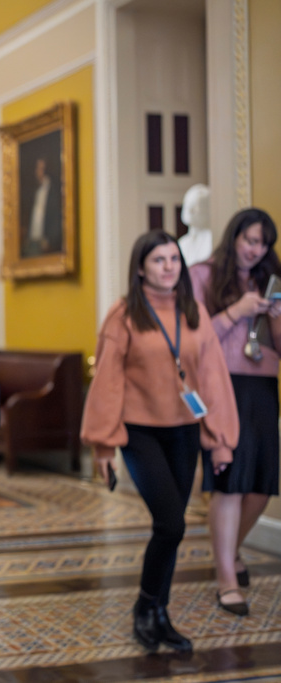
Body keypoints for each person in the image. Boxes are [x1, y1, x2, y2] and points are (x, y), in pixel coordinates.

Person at [82, 230, 238, 652]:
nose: (169, 266)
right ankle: (146, 605)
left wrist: (220, 440)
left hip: (185, 431)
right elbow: (108, 383)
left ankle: (159, 614)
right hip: (140, 433)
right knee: (171, 522)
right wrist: (102, 444)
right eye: (158, 260)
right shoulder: (124, 314)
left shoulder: (194, 312)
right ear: (140, 268)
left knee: (169, 527)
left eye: (174, 259)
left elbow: (212, 379)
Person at [189, 208, 281, 616]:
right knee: (229, 481)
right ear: (234, 237)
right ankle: (226, 577)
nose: (256, 250)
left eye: (263, 244)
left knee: (260, 484)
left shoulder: (271, 280)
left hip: (262, 386)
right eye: (250, 240)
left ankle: (230, 551)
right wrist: (236, 312)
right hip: (221, 384)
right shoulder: (202, 276)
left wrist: (275, 321)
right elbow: (192, 339)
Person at [23, 157, 61, 257]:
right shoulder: (35, 190)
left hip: (45, 243)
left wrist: (49, 240)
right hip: (33, 241)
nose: (38, 172)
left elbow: (56, 217)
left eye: (41, 168)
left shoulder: (53, 191)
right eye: (38, 168)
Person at [178, 183, 213, 266]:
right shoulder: (183, 243)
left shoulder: (211, 239)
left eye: (196, 206)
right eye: (188, 204)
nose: (190, 210)